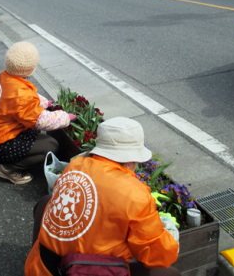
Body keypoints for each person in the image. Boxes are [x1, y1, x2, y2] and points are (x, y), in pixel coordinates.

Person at [25, 117, 181, 276]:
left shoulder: (75, 166)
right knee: (170, 273)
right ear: (130, 160)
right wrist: (170, 235)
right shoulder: (135, 195)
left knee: (46, 202)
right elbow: (157, 256)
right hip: (84, 271)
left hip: (41, 268)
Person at [0, 42, 74, 185]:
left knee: (34, 133)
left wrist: (44, 103)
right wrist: (65, 117)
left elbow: (21, 99)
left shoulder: (5, 78)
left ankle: (3, 157)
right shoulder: (21, 94)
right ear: (31, 69)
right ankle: (8, 168)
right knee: (50, 146)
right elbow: (41, 120)